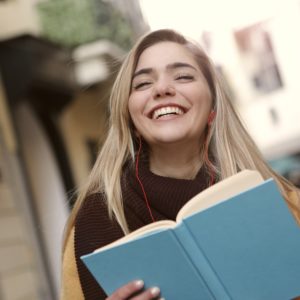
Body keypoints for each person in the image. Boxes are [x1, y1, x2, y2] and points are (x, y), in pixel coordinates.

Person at [60, 29, 300, 300]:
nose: (162, 89)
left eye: (183, 76)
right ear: (131, 119)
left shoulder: (286, 205)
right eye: (142, 84)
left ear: (213, 108)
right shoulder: (94, 222)